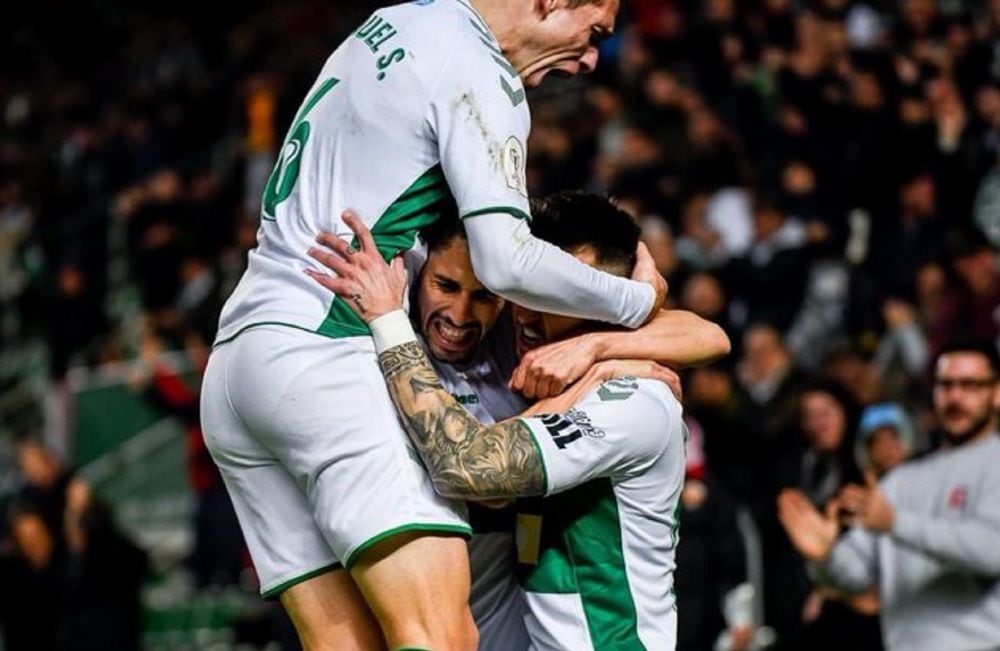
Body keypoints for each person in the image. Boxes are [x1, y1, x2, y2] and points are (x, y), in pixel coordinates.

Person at [201, 0, 669, 648]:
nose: (592, 58)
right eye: (593, 32)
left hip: (237, 362)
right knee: (440, 636)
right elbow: (506, 257)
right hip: (324, 348)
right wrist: (630, 301)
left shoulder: (395, 20)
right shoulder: (481, 68)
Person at [309, 193, 725, 650]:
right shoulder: (528, 353)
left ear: (606, 304)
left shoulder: (629, 399)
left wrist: (600, 348)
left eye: (553, 298)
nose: (524, 312)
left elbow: (470, 466)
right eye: (524, 293)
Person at [778, 341, 1000, 650]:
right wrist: (825, 556)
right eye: (946, 385)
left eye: (970, 385)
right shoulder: (901, 480)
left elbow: (992, 550)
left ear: (997, 392)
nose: (955, 397)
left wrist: (896, 523)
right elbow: (855, 574)